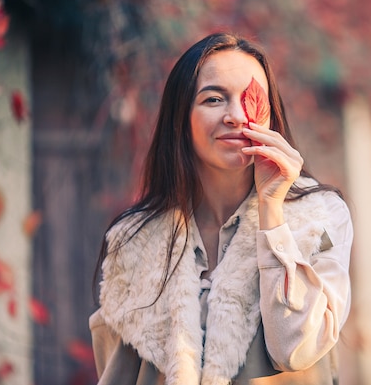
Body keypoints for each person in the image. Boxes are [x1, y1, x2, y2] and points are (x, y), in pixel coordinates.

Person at [89, 32, 353, 385]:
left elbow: (296, 349)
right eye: (214, 99)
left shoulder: (319, 217)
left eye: (251, 98)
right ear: (181, 119)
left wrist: (272, 213)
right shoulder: (133, 240)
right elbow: (116, 372)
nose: (236, 116)